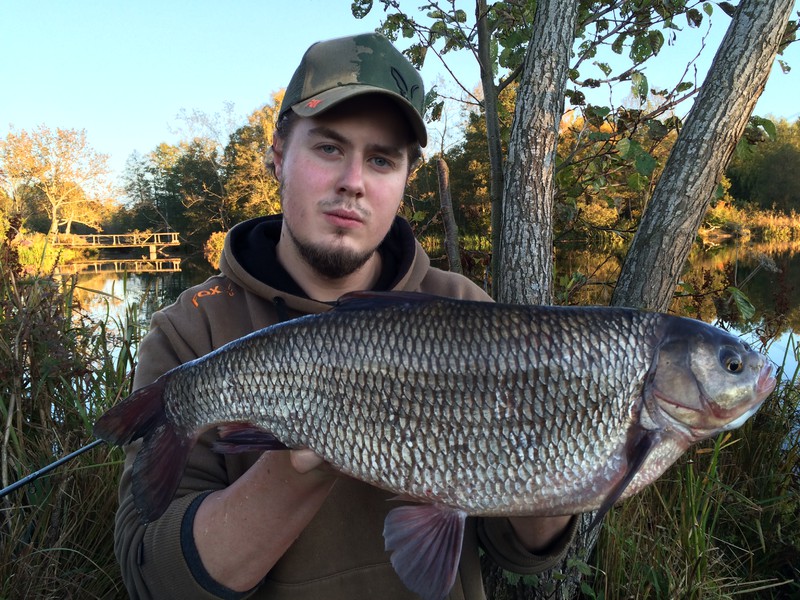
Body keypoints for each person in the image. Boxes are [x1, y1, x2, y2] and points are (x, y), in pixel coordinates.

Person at [114, 32, 578, 600]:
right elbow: (153, 580)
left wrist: (564, 439)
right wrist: (305, 455)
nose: (352, 182)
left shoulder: (467, 311)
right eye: (329, 148)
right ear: (280, 154)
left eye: (381, 159)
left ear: (405, 179)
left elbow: (519, 552)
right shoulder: (190, 333)